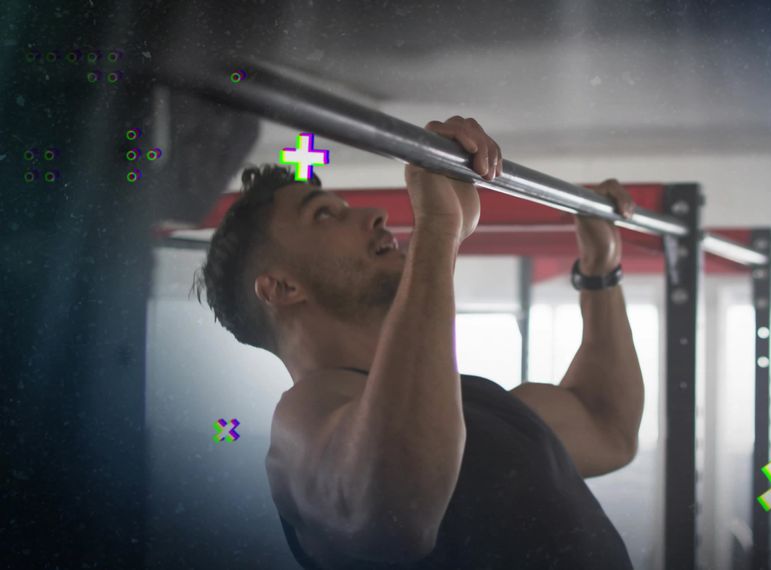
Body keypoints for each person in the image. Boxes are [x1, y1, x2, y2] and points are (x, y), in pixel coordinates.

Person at [192, 116, 645, 569]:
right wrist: (439, 229)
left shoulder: (473, 400)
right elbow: (398, 512)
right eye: (324, 214)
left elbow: (609, 428)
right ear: (282, 288)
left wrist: (600, 269)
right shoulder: (303, 422)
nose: (374, 214)